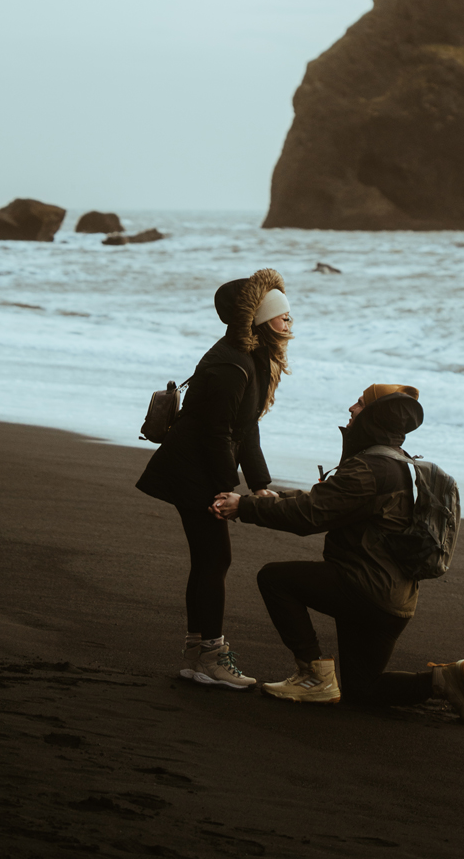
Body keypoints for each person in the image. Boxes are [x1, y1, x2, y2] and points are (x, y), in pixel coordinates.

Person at [211, 384, 464, 724]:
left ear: (374, 415)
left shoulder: (370, 468)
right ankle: (444, 679)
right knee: (363, 689)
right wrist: (266, 499)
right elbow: (326, 500)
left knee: (274, 578)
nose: (351, 409)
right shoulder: (400, 465)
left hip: (363, 589)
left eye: (359, 404)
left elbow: (309, 515)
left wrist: (247, 508)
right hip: (394, 604)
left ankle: (313, 675)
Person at [136, 268, 292, 691]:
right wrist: (229, 489)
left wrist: (259, 483)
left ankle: (196, 651)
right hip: (193, 471)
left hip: (201, 468)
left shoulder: (251, 356)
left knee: (210, 560)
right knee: (214, 560)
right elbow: (217, 432)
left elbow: (247, 426)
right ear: (259, 318)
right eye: (282, 315)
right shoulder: (233, 363)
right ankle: (211, 656)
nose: (289, 322)